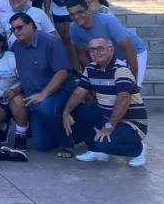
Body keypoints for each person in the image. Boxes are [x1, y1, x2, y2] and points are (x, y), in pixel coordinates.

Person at [62, 37, 148, 167]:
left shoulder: (121, 69)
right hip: (107, 116)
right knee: (80, 111)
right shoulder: (91, 68)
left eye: (100, 48)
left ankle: (139, 149)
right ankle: (97, 150)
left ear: (111, 50)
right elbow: (79, 92)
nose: (95, 52)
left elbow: (123, 100)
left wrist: (109, 127)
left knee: (105, 144)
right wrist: (66, 112)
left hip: (132, 123)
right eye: (91, 49)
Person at [9, 12, 75, 157]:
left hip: (59, 91)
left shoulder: (50, 42)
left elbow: (62, 72)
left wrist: (43, 94)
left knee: (47, 108)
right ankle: (76, 132)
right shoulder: (16, 46)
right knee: (42, 146)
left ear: (31, 25)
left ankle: (67, 142)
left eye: (19, 27)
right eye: (13, 29)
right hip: (34, 96)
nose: (16, 31)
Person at [67, 0, 146, 86]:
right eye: (72, 14)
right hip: (110, 56)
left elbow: (129, 48)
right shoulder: (74, 28)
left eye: (80, 12)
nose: (76, 17)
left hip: (135, 51)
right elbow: (82, 54)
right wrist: (90, 76)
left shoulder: (108, 21)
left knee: (131, 88)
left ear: (89, 10)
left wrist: (133, 78)